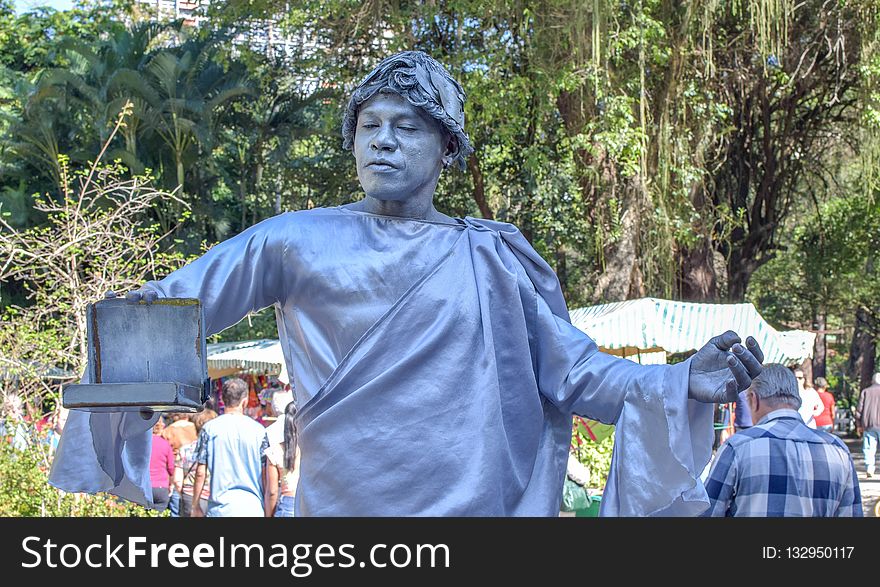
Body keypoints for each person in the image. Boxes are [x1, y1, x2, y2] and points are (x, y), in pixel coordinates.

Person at [50, 50, 765, 517]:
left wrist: (679, 382)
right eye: (369, 125)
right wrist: (131, 329)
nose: (382, 140)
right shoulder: (291, 240)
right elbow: (172, 309)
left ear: (447, 146)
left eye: (406, 126)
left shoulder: (493, 256)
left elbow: (575, 372)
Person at [702, 364, 862, 517]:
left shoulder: (737, 448)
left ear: (754, 399)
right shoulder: (837, 449)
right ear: (796, 400)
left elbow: (709, 512)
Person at [191, 378, 268, 517]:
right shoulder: (259, 431)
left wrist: (195, 505)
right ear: (244, 401)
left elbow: (200, 472)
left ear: (222, 398)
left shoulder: (209, 429)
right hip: (252, 508)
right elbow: (265, 474)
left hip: (220, 509)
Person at [175, 408, 217, 517]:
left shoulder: (185, 449)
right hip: (212, 496)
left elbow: (177, 480)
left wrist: (185, 494)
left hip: (189, 496)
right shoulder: (218, 451)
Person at [264, 401, 299, 517]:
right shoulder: (311, 447)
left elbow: (272, 492)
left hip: (287, 504)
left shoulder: (275, 451)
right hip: (307, 502)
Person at [856, 372, 880, 479]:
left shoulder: (866, 392)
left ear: (872, 381)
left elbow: (859, 410)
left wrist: (858, 424)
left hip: (868, 424)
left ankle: (870, 468)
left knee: (869, 448)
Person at [148, 419, 174, 512]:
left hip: (143, 487)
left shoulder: (141, 444)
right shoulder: (165, 444)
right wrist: (171, 483)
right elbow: (171, 468)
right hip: (161, 487)